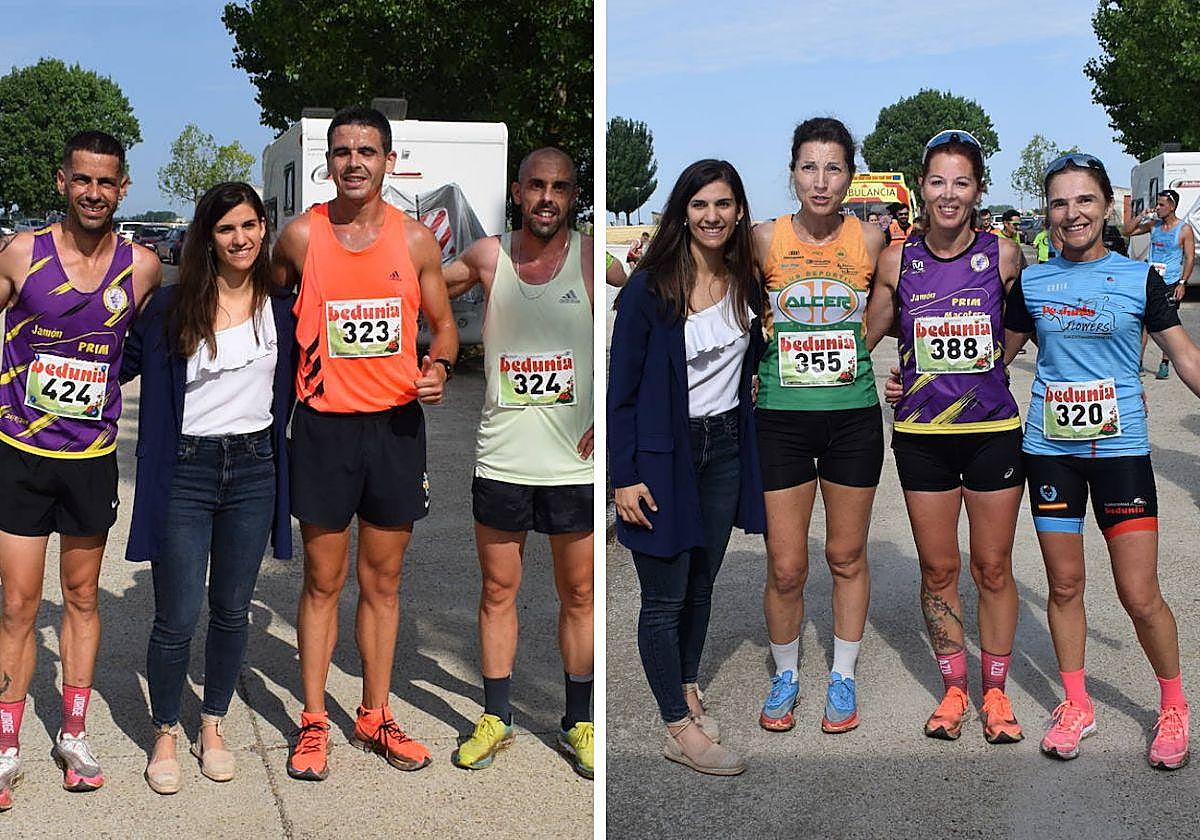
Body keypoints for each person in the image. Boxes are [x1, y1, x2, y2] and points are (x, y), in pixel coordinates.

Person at [270, 106, 458, 781]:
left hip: (396, 430)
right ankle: (314, 720)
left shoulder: (414, 242)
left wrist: (436, 368)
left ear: (389, 160)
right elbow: (263, 312)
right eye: (343, 151)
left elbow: (444, 329)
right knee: (324, 581)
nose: (355, 162)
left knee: (383, 581)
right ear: (327, 161)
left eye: (368, 151)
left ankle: (376, 714)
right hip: (323, 429)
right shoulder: (298, 237)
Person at [1004, 152, 1200, 769]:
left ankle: (1172, 705)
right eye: (1060, 202)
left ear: (1107, 207)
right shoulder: (1031, 283)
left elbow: (1187, 359)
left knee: (1139, 594)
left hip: (1121, 454)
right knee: (1064, 585)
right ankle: (1077, 703)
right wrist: (918, 382)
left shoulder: (1138, 277)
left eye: (1084, 200)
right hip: (1051, 453)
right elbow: (988, 361)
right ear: (1048, 213)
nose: (1072, 213)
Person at [0, 131, 161, 810]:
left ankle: (73, 734)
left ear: (123, 188)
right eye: (82, 180)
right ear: (62, 181)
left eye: (107, 182)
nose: (94, 193)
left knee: (85, 596)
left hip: (91, 461)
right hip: (19, 453)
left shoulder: (144, 267)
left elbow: (150, 347)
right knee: (16, 603)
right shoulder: (20, 252)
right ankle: (6, 744)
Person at [120, 183, 298, 794]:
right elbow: (107, 363)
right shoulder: (172, 308)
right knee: (177, 615)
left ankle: (213, 723)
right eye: (226, 229)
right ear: (207, 237)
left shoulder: (283, 307)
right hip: (186, 472)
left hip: (254, 468)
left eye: (249, 226)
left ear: (263, 228)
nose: (241, 239)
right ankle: (166, 730)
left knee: (230, 609)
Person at [865, 129, 1027, 744]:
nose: (949, 193)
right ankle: (955, 686)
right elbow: (863, 337)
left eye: (962, 181)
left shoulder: (1004, 255)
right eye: (938, 181)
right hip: (922, 436)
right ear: (922, 188)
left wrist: (994, 365)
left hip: (992, 433)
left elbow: (1028, 321)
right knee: (938, 568)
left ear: (978, 189)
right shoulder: (896, 259)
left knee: (992, 566)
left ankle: (995, 691)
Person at [442, 148, 596, 778]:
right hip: (502, 458)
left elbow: (654, 313)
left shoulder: (591, 258)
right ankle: (497, 716)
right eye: (537, 185)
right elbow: (413, 284)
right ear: (517, 190)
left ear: (573, 195)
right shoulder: (488, 256)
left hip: (573, 465)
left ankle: (579, 721)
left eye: (560, 187)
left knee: (579, 595)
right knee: (498, 592)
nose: (547, 197)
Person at [609, 159, 765, 775]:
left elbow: (748, 363)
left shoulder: (745, 279)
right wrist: (623, 475)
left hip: (726, 448)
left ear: (738, 211)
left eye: (723, 205)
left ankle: (690, 690)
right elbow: (620, 389)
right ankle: (677, 727)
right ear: (682, 211)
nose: (712, 216)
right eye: (700, 205)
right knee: (663, 598)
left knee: (702, 584)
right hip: (664, 456)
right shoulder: (651, 287)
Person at [754, 118, 886, 734]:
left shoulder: (874, 239)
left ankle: (843, 675)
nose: (821, 180)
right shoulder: (762, 240)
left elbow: (913, 304)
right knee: (785, 565)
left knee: (845, 554)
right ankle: (786, 674)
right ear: (792, 173)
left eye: (834, 168)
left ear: (850, 176)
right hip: (781, 419)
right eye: (809, 167)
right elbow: (720, 297)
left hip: (853, 418)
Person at [1124, 189, 1195, 379]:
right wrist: (1141, 215)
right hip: (1150, 281)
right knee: (1143, 323)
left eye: (1162, 204)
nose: (1157, 207)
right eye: (1157, 203)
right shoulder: (1153, 225)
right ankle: (1137, 362)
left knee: (1167, 324)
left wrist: (1182, 283)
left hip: (1171, 282)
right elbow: (1127, 231)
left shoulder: (1184, 229)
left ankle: (1165, 362)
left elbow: (1189, 258)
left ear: (1172, 207)